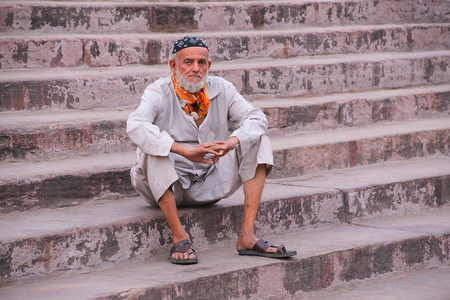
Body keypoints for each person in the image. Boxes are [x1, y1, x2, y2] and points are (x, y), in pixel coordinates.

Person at [126, 36, 296, 264]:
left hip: (207, 180)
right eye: (188, 62)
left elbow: (256, 117)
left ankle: (247, 236)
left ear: (209, 66)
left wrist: (230, 142)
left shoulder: (222, 88)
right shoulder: (158, 91)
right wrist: (184, 151)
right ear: (173, 65)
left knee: (257, 139)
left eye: (201, 62)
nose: (195, 69)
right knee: (154, 148)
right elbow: (135, 125)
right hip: (165, 186)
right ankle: (180, 237)